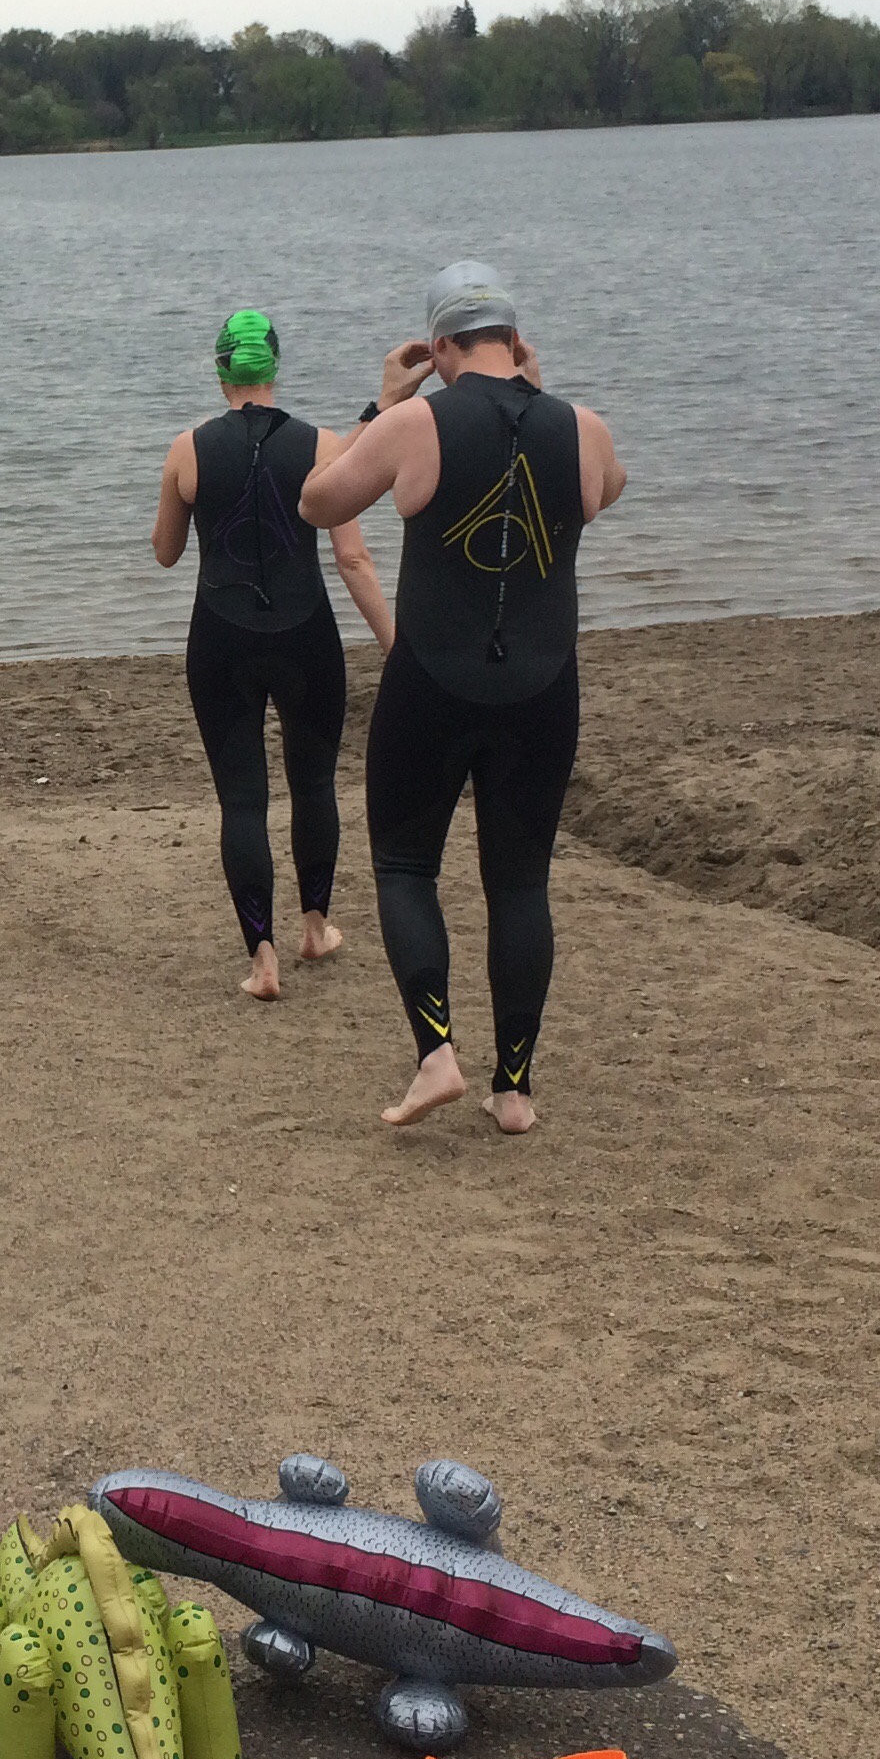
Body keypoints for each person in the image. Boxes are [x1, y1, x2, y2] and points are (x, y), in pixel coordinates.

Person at [300, 266, 626, 1134]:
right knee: (520, 883)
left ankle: (437, 1054)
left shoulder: (415, 423)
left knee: (407, 867)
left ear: (439, 345)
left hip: (432, 683)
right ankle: (513, 1090)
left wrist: (381, 403)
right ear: (515, 341)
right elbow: (606, 490)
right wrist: (542, 395)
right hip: (544, 687)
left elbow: (316, 500)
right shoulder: (583, 427)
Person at [151, 309, 395, 1000]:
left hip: (219, 639)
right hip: (306, 634)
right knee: (314, 784)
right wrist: (396, 645)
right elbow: (352, 559)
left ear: (220, 369)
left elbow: (166, 553)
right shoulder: (322, 447)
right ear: (275, 367)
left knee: (242, 800)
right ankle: (315, 929)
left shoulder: (187, 449)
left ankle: (263, 961)